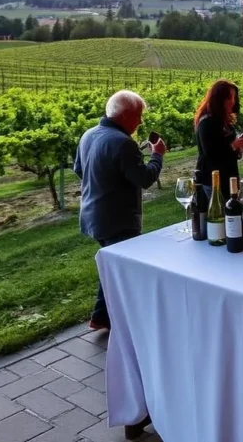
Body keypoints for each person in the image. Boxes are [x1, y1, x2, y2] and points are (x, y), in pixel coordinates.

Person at [74, 90, 166, 331]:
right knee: (125, 268)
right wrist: (157, 156)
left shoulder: (89, 135)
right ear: (124, 115)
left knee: (114, 266)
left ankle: (101, 317)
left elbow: (79, 170)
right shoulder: (122, 143)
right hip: (117, 220)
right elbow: (145, 178)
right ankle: (128, 320)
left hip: (92, 216)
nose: (140, 121)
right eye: (138, 115)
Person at [195, 79, 243, 201]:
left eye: (234, 98)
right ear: (218, 100)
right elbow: (211, 154)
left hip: (228, 178)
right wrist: (233, 146)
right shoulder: (206, 122)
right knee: (219, 216)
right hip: (213, 181)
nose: (232, 102)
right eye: (229, 98)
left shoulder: (224, 120)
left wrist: (239, 147)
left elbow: (227, 151)